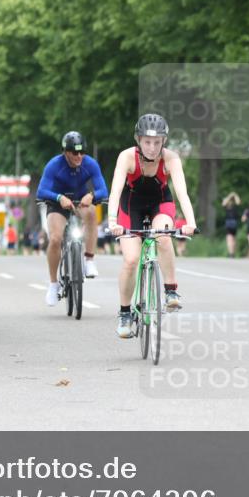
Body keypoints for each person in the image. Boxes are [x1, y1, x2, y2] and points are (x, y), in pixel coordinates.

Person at [108, 114, 197, 338]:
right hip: (131, 206)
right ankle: (125, 312)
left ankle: (170, 291)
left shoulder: (171, 159)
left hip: (161, 204)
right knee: (130, 260)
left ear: (164, 141)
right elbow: (116, 191)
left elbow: (182, 193)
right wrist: (112, 222)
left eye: (157, 142)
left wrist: (191, 222)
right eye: (147, 142)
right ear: (138, 140)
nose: (152, 147)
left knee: (163, 236)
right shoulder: (127, 157)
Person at [36, 131, 109, 306]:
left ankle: (89, 259)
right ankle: (53, 284)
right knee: (55, 239)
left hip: (79, 201)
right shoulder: (54, 165)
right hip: (58, 202)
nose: (79, 156)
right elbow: (41, 191)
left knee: (91, 213)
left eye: (82, 152)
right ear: (65, 152)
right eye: (74, 153)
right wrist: (59, 198)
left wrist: (91, 195)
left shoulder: (90, 163)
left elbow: (104, 191)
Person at [221, 192, 241, 258]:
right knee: (233, 239)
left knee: (230, 239)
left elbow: (224, 203)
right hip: (234, 222)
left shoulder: (229, 205)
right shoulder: (233, 204)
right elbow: (238, 202)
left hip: (229, 222)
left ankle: (231, 253)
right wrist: (233, 195)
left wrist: (232, 195)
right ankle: (232, 253)